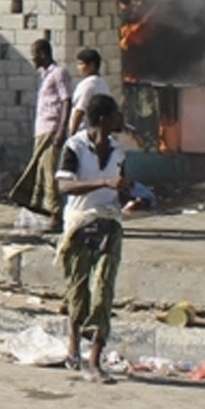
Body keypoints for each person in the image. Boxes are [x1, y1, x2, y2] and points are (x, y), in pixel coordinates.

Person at [55, 94, 133, 383]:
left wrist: (128, 192)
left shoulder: (117, 150)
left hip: (109, 222)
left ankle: (95, 360)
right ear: (103, 119)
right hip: (80, 224)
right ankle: (74, 343)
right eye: (116, 115)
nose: (120, 119)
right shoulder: (74, 147)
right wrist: (103, 182)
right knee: (78, 293)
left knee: (103, 290)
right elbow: (64, 185)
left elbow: (121, 185)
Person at [6, 39, 72, 226]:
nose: (32, 59)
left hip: (51, 130)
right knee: (41, 172)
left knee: (50, 173)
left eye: (34, 54)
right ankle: (43, 209)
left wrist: (61, 130)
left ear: (43, 54)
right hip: (41, 131)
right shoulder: (44, 76)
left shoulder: (59, 74)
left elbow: (66, 100)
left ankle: (56, 215)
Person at [69, 48, 109, 125]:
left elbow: (79, 111)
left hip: (83, 131)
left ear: (91, 65)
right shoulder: (103, 83)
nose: (78, 68)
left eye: (81, 64)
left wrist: (72, 133)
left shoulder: (87, 85)